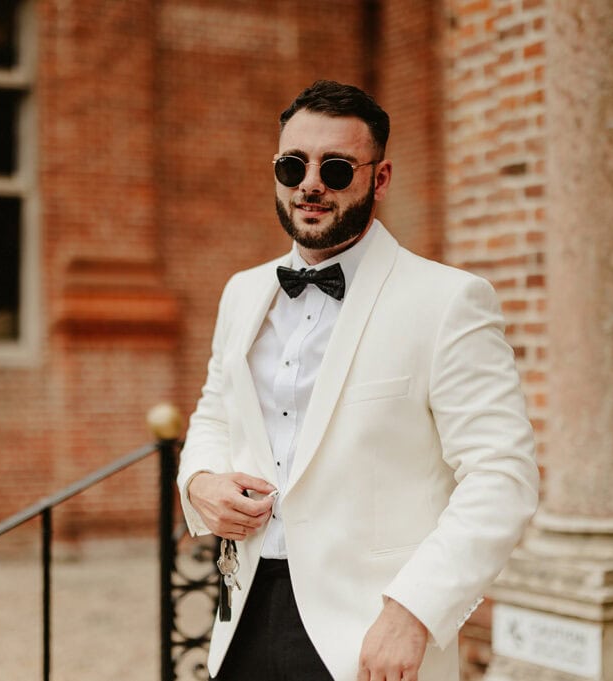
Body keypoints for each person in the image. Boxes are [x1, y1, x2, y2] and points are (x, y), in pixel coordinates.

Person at [176, 80, 539, 681]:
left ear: (381, 177)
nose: (310, 184)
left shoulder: (448, 301)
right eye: (293, 166)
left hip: (371, 637)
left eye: (337, 168)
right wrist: (201, 482)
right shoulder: (242, 293)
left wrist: (414, 612)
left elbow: (503, 477)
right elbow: (214, 411)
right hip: (241, 619)